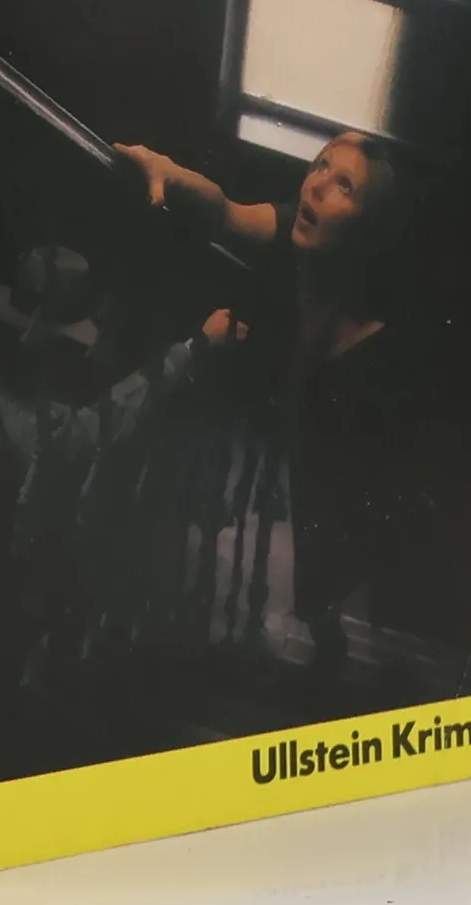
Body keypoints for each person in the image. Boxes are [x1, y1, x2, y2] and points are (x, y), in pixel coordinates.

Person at [114, 131, 412, 668]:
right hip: (291, 421)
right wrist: (166, 168)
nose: (317, 184)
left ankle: (327, 638)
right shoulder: (291, 226)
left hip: (347, 438)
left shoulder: (382, 327)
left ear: (368, 224)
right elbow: (224, 209)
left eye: (344, 185)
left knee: (331, 552)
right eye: (321, 165)